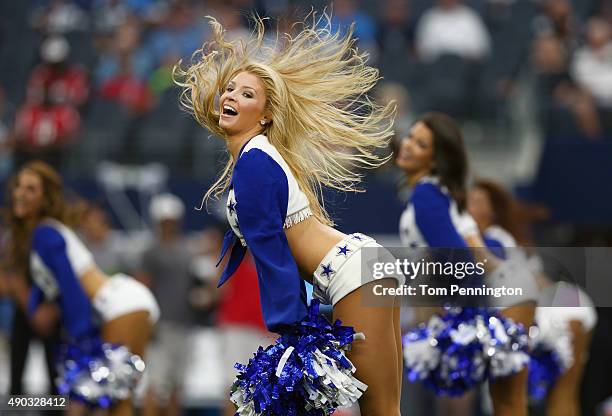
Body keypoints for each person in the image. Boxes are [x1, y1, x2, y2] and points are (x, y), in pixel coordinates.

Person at [176, 14, 404, 415]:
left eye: (247, 94)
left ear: (265, 114)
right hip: (359, 269)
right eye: (230, 89)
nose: (231, 96)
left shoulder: (255, 160)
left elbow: (270, 248)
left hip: (351, 275)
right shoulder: (256, 156)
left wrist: (294, 327)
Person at [396, 112, 537, 416]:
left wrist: (469, 317)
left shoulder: (427, 195)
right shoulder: (435, 191)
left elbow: (459, 260)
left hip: (499, 293)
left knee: (505, 401)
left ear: (434, 160)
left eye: (420, 144)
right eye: (410, 136)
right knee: (506, 401)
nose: (407, 145)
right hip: (504, 288)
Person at [4, 161, 159, 416]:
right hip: (127, 302)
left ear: (45, 198)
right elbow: (48, 289)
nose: (20, 193)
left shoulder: (45, 233)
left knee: (98, 402)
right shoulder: (44, 232)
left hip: (115, 305)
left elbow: (69, 286)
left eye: (31, 189)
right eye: (18, 186)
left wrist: (83, 339)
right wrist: (34, 308)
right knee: (119, 402)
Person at [467, 179, 597, 416]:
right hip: (560, 306)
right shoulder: (502, 238)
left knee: (546, 396)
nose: (468, 207)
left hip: (556, 311)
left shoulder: (494, 238)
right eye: (466, 201)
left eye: (476, 202)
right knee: (555, 395)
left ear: (491, 210)